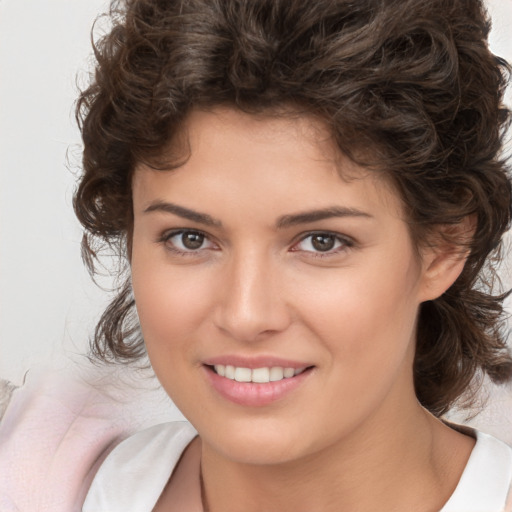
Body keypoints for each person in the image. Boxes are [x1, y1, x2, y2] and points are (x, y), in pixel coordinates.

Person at [76, 0, 512, 510]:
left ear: (442, 247)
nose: (245, 315)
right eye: (190, 238)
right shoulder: (54, 488)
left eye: (321, 241)